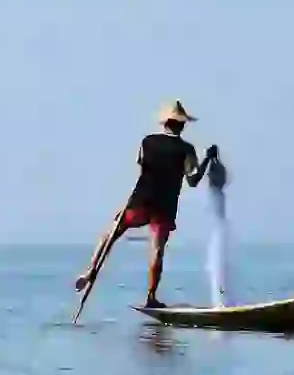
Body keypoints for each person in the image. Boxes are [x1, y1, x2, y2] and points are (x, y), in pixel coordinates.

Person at [74, 100, 218, 308]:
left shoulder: (147, 142)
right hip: (164, 205)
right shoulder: (186, 149)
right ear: (181, 125)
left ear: (165, 123)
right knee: (157, 250)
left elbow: (141, 166)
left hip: (140, 199)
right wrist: (206, 159)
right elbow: (193, 180)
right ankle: (151, 297)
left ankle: (91, 270)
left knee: (111, 233)